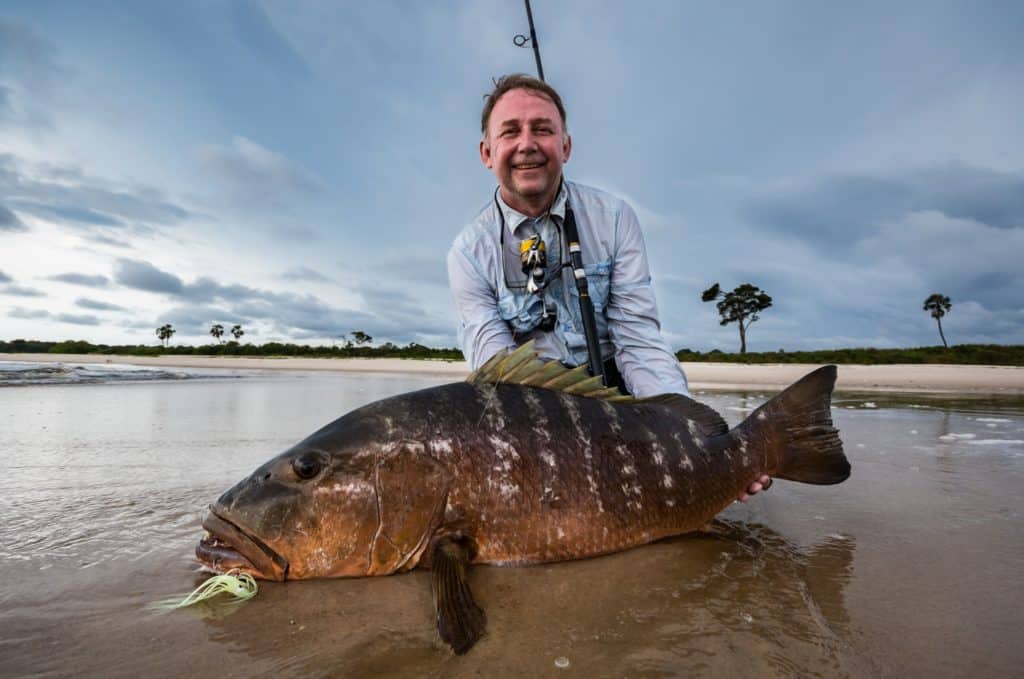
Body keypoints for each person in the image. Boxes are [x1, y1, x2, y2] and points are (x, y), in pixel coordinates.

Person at [447, 74, 769, 501]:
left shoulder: (615, 219)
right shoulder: (467, 252)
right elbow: (495, 372)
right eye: (510, 131)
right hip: (532, 415)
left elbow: (638, 339)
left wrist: (689, 436)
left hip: (619, 404)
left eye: (542, 129)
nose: (527, 144)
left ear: (566, 146)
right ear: (487, 153)